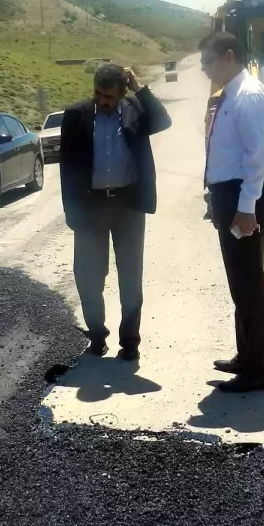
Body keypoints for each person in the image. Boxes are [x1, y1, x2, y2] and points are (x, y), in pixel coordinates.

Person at [60, 63, 171, 360]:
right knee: (88, 276)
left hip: (128, 206)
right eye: (98, 93)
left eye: (109, 96)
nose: (102, 101)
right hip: (90, 207)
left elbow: (163, 121)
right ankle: (97, 335)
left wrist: (140, 87)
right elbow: (67, 168)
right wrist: (71, 212)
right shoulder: (75, 115)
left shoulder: (135, 109)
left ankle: (130, 341)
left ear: (122, 93)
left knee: (130, 276)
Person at [200, 32, 264, 393]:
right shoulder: (228, 95)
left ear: (228, 56)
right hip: (229, 197)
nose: (203, 68)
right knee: (239, 284)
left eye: (207, 61)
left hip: (244, 201)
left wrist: (246, 209)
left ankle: (258, 370)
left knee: (249, 284)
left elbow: (256, 158)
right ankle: (245, 356)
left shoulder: (250, 95)